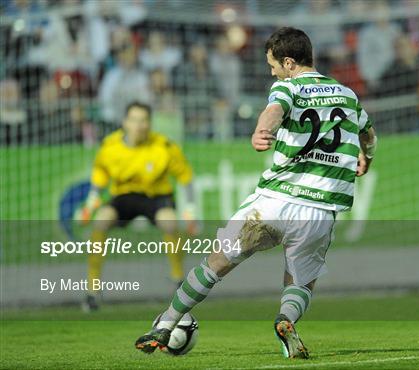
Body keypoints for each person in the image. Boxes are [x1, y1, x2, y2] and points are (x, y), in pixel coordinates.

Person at [134, 27, 377, 359]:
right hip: (318, 211)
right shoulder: (347, 95)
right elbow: (368, 133)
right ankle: (286, 319)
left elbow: (274, 109)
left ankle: (166, 321)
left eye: (273, 65)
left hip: (274, 202)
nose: (271, 71)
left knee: (216, 263)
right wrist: (367, 156)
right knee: (300, 280)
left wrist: (263, 130)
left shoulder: (287, 87)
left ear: (289, 62)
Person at [79, 101, 197, 311]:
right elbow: (100, 175)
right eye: (134, 120)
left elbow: (184, 176)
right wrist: (90, 205)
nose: (139, 125)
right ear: (125, 122)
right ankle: (93, 289)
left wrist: (190, 210)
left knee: (170, 222)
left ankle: (178, 279)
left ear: (150, 124)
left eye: (144, 120)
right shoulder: (109, 146)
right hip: (123, 196)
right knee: (101, 221)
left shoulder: (164, 146)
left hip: (156, 196)